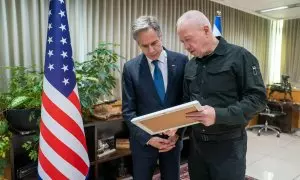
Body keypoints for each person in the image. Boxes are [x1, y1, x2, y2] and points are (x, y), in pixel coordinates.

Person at [176, 10, 267, 180]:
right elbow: (186, 102)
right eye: (182, 42)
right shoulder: (190, 65)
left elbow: (258, 99)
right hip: (196, 147)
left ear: (206, 30)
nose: (186, 47)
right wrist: (175, 126)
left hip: (229, 147)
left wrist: (218, 115)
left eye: (188, 39)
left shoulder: (240, 57)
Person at [122, 16, 189, 180]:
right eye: (145, 46)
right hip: (144, 144)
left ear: (161, 36)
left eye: (154, 43)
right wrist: (148, 139)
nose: (151, 50)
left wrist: (178, 132)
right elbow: (128, 111)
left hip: (172, 142)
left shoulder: (181, 61)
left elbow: (186, 101)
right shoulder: (130, 69)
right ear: (138, 44)